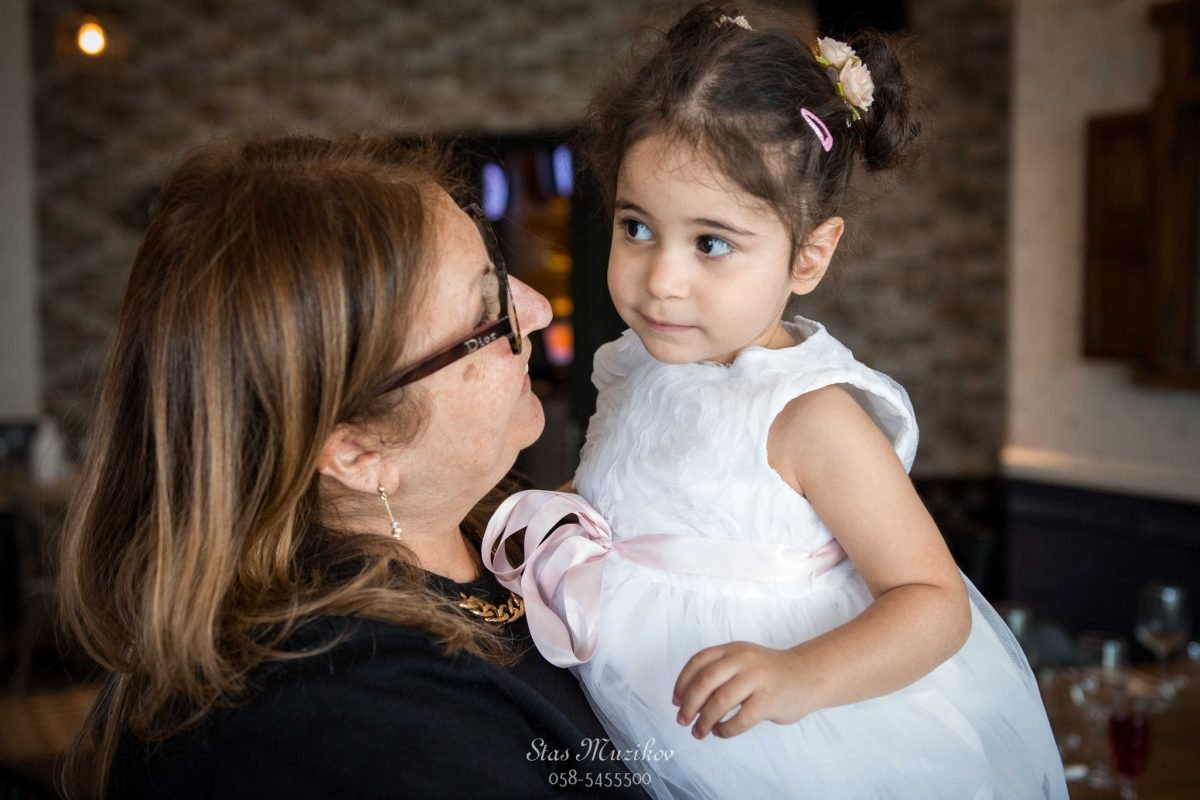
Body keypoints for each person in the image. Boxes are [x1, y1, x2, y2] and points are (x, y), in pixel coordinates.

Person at [482, 4, 1068, 798]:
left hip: (779, 744)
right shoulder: (634, 365)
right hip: (627, 697)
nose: (662, 280)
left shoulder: (809, 416)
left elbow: (933, 602)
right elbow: (631, 501)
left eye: (711, 243)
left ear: (809, 256)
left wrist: (802, 674)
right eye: (637, 228)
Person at [58, 135, 650, 799]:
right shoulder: (346, 716)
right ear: (357, 452)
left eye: (498, 267)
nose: (537, 309)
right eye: (487, 312)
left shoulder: (490, 533)